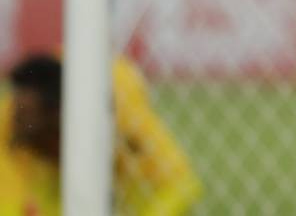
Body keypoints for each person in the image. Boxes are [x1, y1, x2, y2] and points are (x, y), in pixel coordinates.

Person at [0, 54, 202, 216]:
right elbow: (8, 204)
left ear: (58, 114)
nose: (17, 123)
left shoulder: (121, 112)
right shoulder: (10, 128)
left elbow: (183, 184)